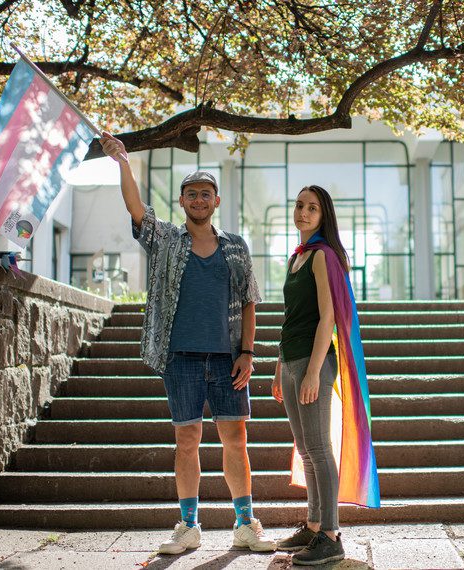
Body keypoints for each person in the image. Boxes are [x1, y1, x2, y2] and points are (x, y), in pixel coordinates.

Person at [99, 132, 276, 555]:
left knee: (235, 441)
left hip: (227, 359)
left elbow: (250, 301)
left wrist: (248, 353)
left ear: (216, 202)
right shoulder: (167, 241)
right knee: (187, 440)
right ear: (182, 202)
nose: (199, 199)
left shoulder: (235, 246)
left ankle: (245, 523)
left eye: (206, 194)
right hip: (181, 359)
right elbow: (135, 209)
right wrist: (123, 162)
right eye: (191, 194)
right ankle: (189, 526)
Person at [272, 185, 380, 566]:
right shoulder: (296, 258)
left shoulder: (322, 256)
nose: (303, 212)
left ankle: (331, 536)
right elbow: (290, 319)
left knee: (319, 449)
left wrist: (314, 371)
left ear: (323, 216)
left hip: (313, 363)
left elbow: (328, 318)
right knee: (306, 450)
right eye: (299, 205)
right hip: (291, 361)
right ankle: (314, 524)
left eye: (312, 208)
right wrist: (278, 368)